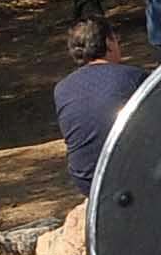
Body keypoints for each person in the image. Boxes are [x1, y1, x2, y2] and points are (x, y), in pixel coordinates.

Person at [52, 16, 143, 196]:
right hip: (126, 177)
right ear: (108, 42)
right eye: (116, 39)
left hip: (86, 180)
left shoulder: (61, 89)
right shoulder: (134, 78)